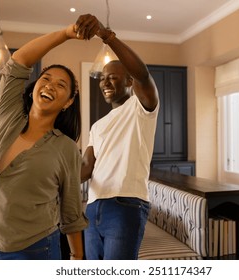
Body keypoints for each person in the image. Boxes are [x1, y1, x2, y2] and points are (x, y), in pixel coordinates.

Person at [0, 19, 93, 260]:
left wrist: (77, 257)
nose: (50, 86)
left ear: (69, 102)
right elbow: (18, 61)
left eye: (61, 85)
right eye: (46, 78)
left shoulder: (66, 149)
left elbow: (71, 209)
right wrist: (65, 33)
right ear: (34, 87)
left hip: (35, 248)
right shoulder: (7, 116)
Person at [79, 14, 159, 260]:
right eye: (103, 78)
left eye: (113, 77)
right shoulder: (97, 125)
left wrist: (107, 36)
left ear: (128, 81)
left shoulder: (141, 108)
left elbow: (143, 75)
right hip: (93, 207)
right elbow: (86, 167)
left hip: (126, 205)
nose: (105, 82)